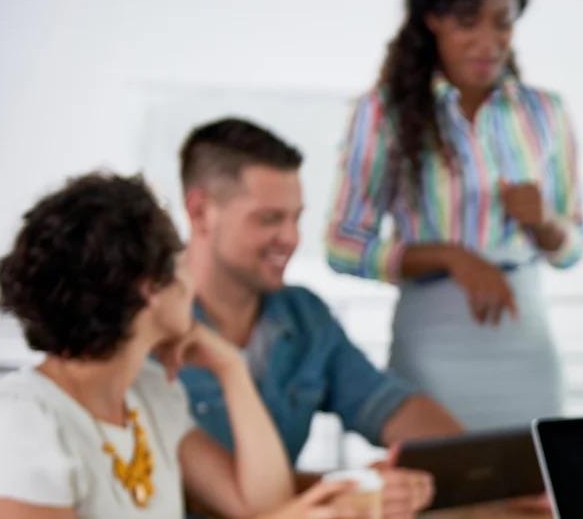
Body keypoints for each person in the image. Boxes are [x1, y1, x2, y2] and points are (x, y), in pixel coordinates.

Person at [325, 0, 583, 430]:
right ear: (433, 20)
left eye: (503, 23)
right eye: (468, 22)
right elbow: (342, 244)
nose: (488, 42)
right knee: (441, 494)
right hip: (433, 341)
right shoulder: (383, 114)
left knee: (534, 495)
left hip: (524, 339)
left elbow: (573, 247)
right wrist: (452, 257)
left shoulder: (545, 114)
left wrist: (548, 222)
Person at [0, 172, 368, 518]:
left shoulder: (149, 396)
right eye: (180, 259)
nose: (191, 277)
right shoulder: (25, 422)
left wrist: (230, 368)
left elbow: (265, 503)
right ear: (149, 287)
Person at [178, 118, 464, 518]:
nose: (292, 238)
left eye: (296, 218)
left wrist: (472, 470)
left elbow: (389, 404)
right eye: (269, 219)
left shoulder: (304, 317)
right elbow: (196, 490)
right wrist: (355, 489)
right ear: (200, 211)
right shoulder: (149, 325)